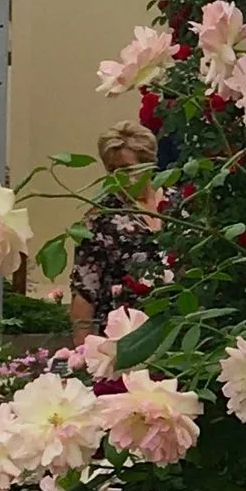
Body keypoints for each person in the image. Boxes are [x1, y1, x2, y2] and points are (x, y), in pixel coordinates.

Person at [68, 126, 168, 338]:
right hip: (126, 337)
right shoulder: (101, 219)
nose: (118, 177)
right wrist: (82, 353)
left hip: (181, 327)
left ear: (148, 164)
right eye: (112, 170)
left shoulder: (179, 206)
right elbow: (85, 290)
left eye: (126, 168)